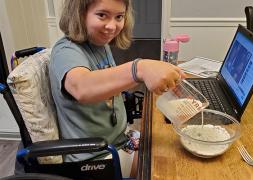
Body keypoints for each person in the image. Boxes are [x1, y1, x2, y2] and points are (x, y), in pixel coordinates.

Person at [49, 0, 185, 177]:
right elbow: (81, 87)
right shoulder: (66, 51)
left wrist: (157, 77)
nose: (112, 26)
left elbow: (110, 84)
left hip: (120, 139)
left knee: (172, 144)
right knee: (167, 166)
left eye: (119, 16)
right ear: (79, 13)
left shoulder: (99, 45)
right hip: (95, 156)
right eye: (102, 15)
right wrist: (140, 69)